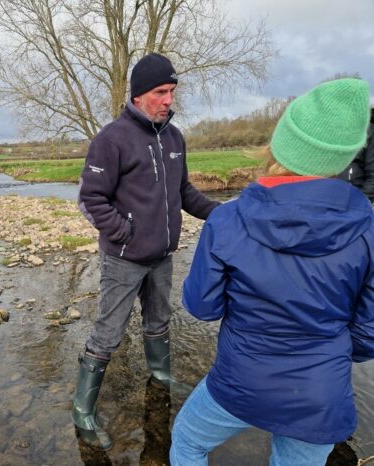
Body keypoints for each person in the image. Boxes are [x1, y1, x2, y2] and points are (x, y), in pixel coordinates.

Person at [170, 78, 374, 466]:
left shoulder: (227, 219)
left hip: (241, 381)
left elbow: (202, 306)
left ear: (280, 144)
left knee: (188, 442)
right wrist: (326, 352)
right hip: (320, 394)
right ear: (345, 158)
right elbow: (368, 333)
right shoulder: (368, 230)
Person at [73, 53, 220, 450]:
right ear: (138, 95)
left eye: (171, 92)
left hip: (162, 257)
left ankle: (160, 375)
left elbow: (183, 193)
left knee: (159, 321)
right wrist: (125, 234)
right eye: (160, 92)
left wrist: (222, 214)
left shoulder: (174, 138)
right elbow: (90, 199)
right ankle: (82, 408)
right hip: (123, 259)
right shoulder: (111, 140)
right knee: (108, 333)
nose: (168, 100)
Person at [338, 107, 374, 202]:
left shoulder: (369, 132)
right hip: (321, 198)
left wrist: (357, 202)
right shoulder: (320, 130)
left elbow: (372, 174)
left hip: (353, 198)